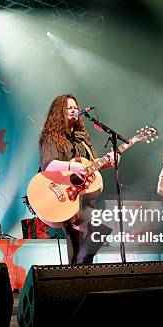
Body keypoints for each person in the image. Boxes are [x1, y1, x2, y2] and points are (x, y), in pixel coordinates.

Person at [38, 94, 117, 264]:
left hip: (85, 197)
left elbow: (94, 164)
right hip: (64, 195)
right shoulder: (51, 137)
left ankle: (80, 271)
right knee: (93, 232)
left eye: (76, 107)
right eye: (69, 107)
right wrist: (72, 167)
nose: (75, 110)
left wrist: (110, 162)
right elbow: (47, 165)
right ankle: (78, 273)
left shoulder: (82, 140)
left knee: (88, 240)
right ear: (59, 111)